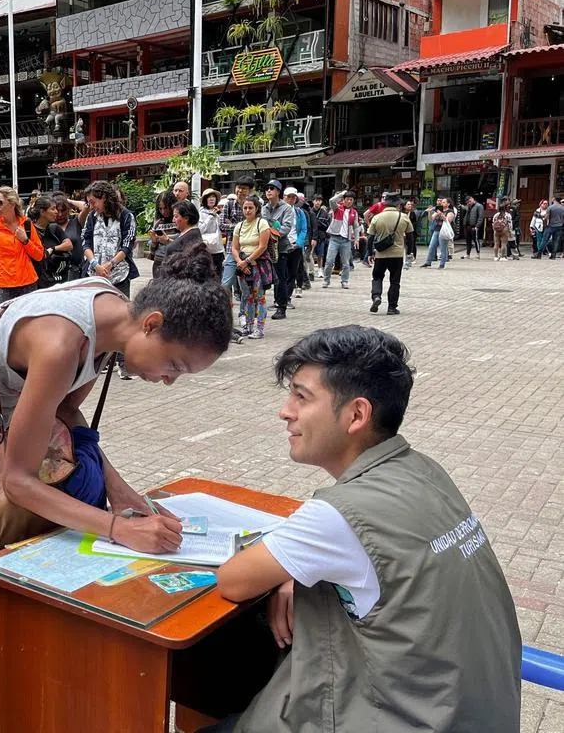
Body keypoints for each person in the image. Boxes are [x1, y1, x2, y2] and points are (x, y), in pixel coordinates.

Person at [0, 241, 233, 721]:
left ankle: (39, 705)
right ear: (151, 323)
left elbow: (63, 409)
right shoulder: (62, 341)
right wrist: (118, 527)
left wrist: (121, 492)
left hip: (7, 419)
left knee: (38, 567)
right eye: (175, 366)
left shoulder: (114, 322)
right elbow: (18, 483)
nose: (170, 382)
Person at [206, 326, 520, 732]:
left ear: (356, 415)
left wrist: (289, 569)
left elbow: (233, 581)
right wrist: (293, 569)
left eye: (302, 397)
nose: (285, 411)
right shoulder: (424, 470)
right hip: (463, 710)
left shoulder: (336, 516)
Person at [81, 180, 140, 378]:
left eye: (93, 201)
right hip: (96, 274)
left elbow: (127, 245)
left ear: (104, 198)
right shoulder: (92, 217)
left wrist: (111, 264)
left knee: (123, 317)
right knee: (98, 318)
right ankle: (102, 360)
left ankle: (124, 363)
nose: (91, 206)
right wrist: (94, 263)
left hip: (119, 273)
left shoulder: (126, 216)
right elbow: (85, 241)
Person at [0, 186, 44, 309]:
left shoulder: (26, 224)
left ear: (12, 204)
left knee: (29, 320)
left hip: (28, 283)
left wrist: (25, 240)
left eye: (0, 202)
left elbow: (39, 255)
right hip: (4, 285)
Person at [231, 195, 272, 340]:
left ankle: (259, 329)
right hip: (243, 267)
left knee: (259, 297)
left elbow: (262, 246)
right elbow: (234, 247)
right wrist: (240, 262)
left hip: (258, 266)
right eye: (245, 208)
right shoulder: (239, 226)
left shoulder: (262, 223)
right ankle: (248, 327)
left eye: (250, 208)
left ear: (257, 209)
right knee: (247, 297)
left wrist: (247, 261)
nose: (247, 211)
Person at [367, 193, 411, 315]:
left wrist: (370, 253)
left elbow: (370, 237)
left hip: (381, 254)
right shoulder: (404, 217)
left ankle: (376, 296)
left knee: (377, 277)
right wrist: (409, 252)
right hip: (397, 255)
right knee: (395, 281)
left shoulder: (377, 218)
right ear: (398, 205)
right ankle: (392, 307)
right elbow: (410, 236)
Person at [261, 181, 295, 320]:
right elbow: (261, 225)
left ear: (278, 192)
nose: (268, 191)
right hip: (264, 247)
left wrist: (269, 233)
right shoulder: (264, 208)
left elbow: (286, 227)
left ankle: (282, 307)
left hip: (280, 248)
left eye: (272, 188)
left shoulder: (286, 208)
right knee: (262, 277)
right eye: (267, 189)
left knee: (280, 278)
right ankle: (260, 306)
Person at [28, 194, 75, 288]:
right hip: (37, 283)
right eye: (53, 209)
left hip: (57, 280)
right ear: (42, 212)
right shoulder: (30, 230)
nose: (56, 212)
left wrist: (52, 249)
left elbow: (69, 245)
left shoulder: (54, 228)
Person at [322, 190, 359, 289]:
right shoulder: (337, 208)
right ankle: (326, 280)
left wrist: (356, 239)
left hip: (346, 240)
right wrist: (341, 194)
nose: (349, 201)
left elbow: (356, 226)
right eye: (347, 199)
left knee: (346, 263)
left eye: (351, 200)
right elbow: (331, 201)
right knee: (329, 261)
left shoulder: (354, 212)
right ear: (344, 200)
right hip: (334, 238)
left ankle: (344, 281)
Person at [148, 190, 177, 278]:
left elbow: (186, 244)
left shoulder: (179, 220)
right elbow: (152, 251)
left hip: (175, 262)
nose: (163, 212)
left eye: (166, 208)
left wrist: (168, 241)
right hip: (159, 262)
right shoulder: (158, 222)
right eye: (160, 209)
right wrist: (154, 241)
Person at [198, 188, 224, 275]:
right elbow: (200, 229)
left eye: (213, 197)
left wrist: (219, 214)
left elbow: (222, 227)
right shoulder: (200, 213)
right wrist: (210, 216)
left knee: (218, 275)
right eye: (209, 197)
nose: (212, 199)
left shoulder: (219, 213)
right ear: (205, 200)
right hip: (205, 249)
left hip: (218, 249)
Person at [308, 193, 331, 279]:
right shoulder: (309, 211)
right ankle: (310, 270)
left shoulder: (324, 213)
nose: (318, 202)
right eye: (316, 200)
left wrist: (320, 224)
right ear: (313, 201)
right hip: (310, 235)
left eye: (319, 200)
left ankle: (320, 269)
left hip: (321, 235)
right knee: (309, 254)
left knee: (320, 254)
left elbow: (328, 225)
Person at [462, 194, 484, 259]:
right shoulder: (468, 206)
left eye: (470, 201)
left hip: (474, 226)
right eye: (467, 202)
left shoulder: (479, 206)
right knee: (468, 241)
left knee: (476, 240)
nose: (469, 203)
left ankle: (478, 254)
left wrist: (477, 226)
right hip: (467, 226)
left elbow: (480, 217)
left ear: (472, 199)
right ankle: (468, 254)